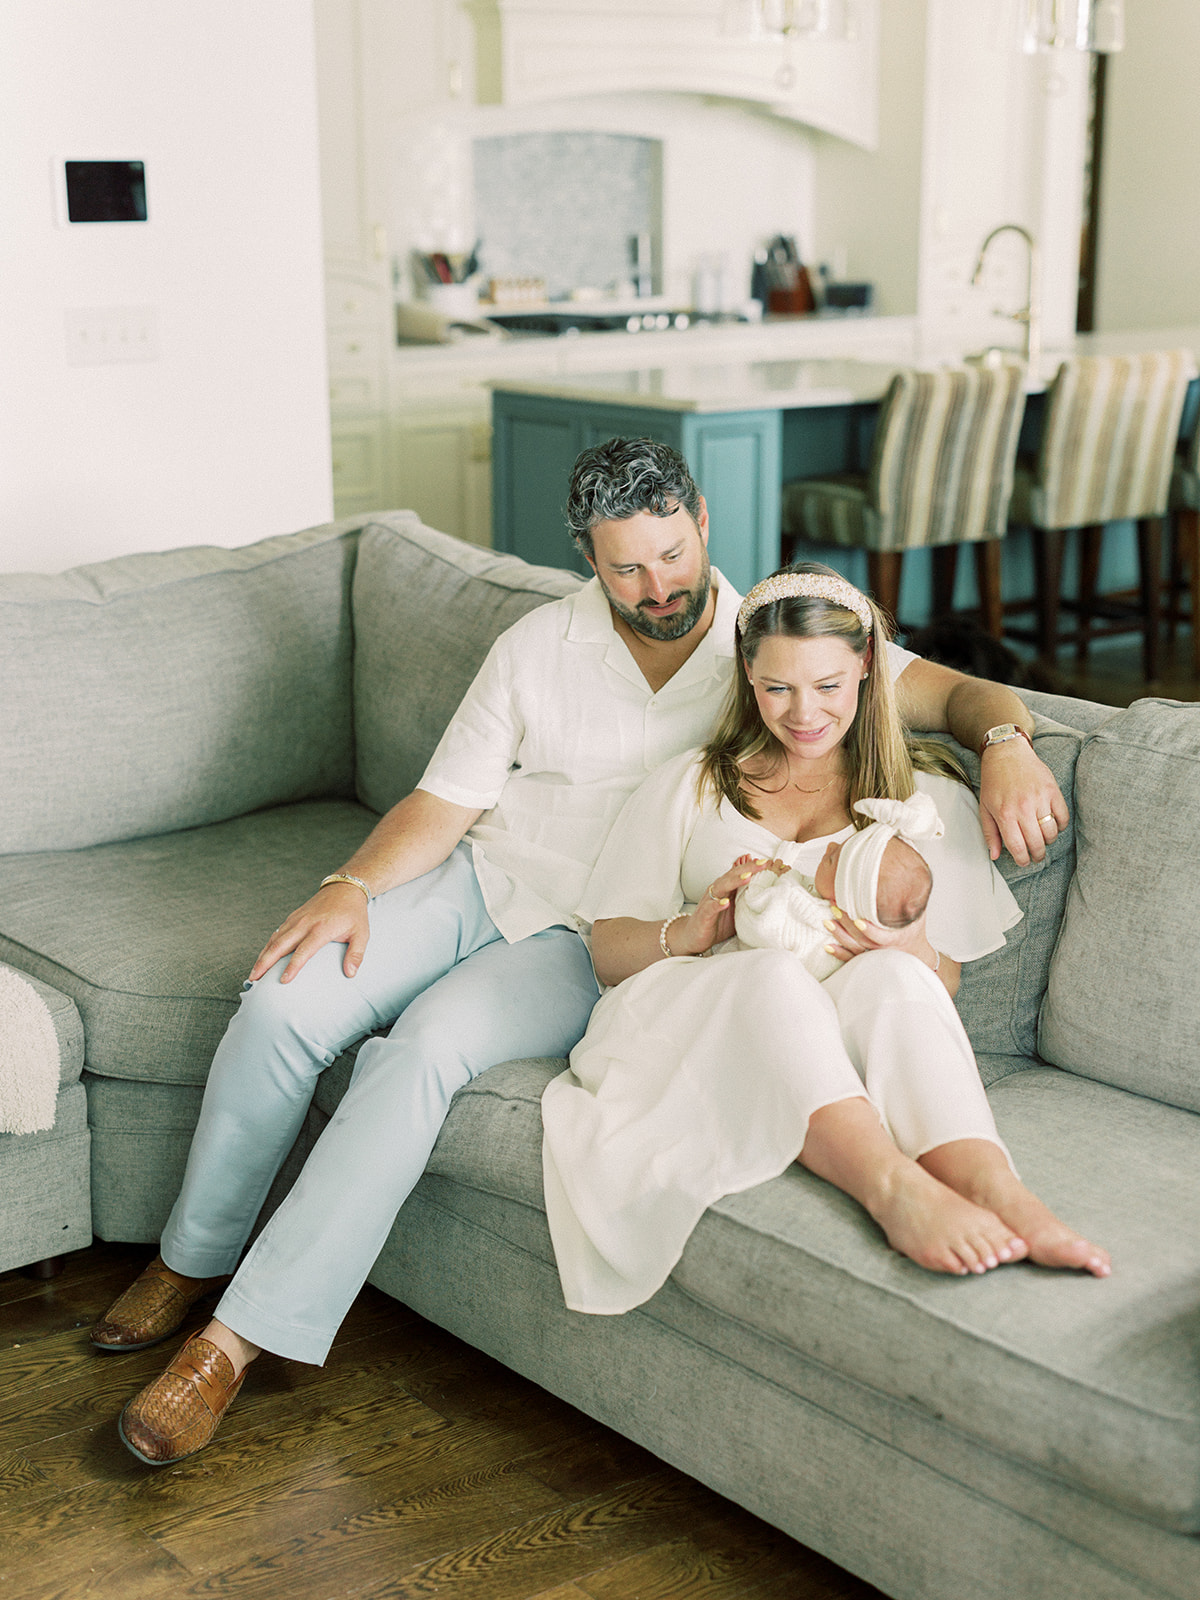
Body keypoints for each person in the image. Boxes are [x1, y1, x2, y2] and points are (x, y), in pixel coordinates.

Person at [92, 436, 1074, 1466]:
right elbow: (447, 798)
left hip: (585, 935)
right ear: (586, 559)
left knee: (420, 1055)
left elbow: (960, 698)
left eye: (671, 556)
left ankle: (233, 1344)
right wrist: (351, 887)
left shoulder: (776, 645)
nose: (658, 588)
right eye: (625, 568)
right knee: (284, 1001)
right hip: (479, 878)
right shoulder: (536, 644)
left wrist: (1007, 747)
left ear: (699, 518)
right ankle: (191, 1257)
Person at [541, 564, 1110, 1317]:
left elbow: (939, 991)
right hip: (688, 1021)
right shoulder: (693, 784)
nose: (803, 714)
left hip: (834, 1037)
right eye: (777, 688)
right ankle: (892, 1187)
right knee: (772, 974)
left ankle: (1001, 1192)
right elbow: (606, 952)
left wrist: (906, 951)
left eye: (828, 687)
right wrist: (692, 928)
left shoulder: (921, 803)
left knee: (898, 981)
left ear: (867, 668)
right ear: (748, 675)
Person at [733, 790, 941, 982]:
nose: (830, 846)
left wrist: (759, 879)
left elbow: (753, 919)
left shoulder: (799, 907)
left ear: (838, 898)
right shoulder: (859, 939)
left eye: (832, 859)